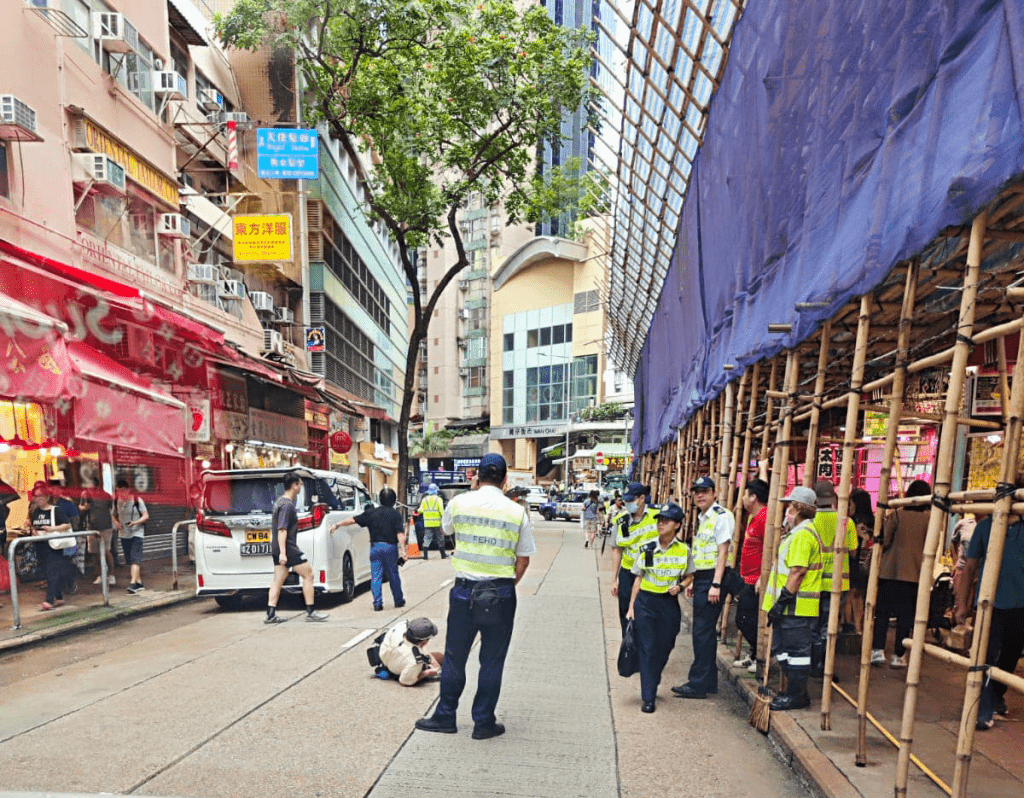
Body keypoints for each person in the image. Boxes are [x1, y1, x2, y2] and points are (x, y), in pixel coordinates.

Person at [415, 453, 535, 740]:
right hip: (500, 593)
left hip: (464, 593)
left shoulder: (458, 504)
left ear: (476, 477)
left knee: (455, 657)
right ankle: (483, 723)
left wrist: (471, 493)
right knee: (492, 660)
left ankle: (445, 716)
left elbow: (445, 529)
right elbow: (524, 559)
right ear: (506, 480)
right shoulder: (517, 512)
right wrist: (505, 586)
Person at [955, 500, 1024, 730]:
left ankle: (995, 694)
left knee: (1011, 655)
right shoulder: (986, 527)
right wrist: (962, 604)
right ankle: (983, 707)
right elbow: (970, 567)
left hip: (1020, 605)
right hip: (989, 603)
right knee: (986, 654)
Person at [625, 502, 693, 713]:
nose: (661, 523)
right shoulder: (647, 547)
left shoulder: (684, 550)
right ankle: (648, 697)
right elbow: (638, 578)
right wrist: (631, 608)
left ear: (678, 525)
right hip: (645, 602)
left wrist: (681, 586)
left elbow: (690, 575)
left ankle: (653, 676)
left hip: (668, 604)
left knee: (665, 646)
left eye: (666, 520)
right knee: (647, 647)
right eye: (659, 520)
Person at [672, 475, 735, 699]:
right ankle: (708, 682)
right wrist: (694, 580)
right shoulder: (703, 517)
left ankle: (697, 684)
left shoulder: (722, 516)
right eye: (696, 492)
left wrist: (715, 584)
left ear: (714, 494)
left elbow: (723, 551)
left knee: (702, 632)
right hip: (703, 578)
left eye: (705, 491)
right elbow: (702, 552)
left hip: (714, 579)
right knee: (704, 632)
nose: (699, 495)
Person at [762, 486, 823, 710]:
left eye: (789, 507)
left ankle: (797, 695)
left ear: (797, 509)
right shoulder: (797, 533)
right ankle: (796, 692)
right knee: (783, 649)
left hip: (796, 606)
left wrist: (782, 601)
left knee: (796, 653)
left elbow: (797, 572)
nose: (786, 511)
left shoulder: (802, 535)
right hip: (791, 606)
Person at [871, 479, 931, 667]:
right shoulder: (931, 517)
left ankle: (878, 651)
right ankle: (899, 655)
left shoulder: (897, 514)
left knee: (882, 613)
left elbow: (885, 541)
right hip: (914, 574)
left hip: (890, 571)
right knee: (906, 616)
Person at [810, 480, 859, 677]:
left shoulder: (810, 521)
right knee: (830, 627)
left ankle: (812, 664)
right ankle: (825, 665)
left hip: (813, 582)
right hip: (838, 584)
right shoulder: (847, 522)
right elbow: (854, 553)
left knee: (813, 624)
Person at [265, 473, 328, 623]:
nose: (301, 487)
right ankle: (311, 611)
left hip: (280, 548)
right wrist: (283, 553)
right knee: (309, 574)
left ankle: (270, 614)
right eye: (299, 484)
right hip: (288, 548)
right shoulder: (287, 505)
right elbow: (282, 529)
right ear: (294, 485)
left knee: (277, 581)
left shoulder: (279, 502)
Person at [332, 487, 407, 612]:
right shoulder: (395, 515)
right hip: (390, 548)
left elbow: (352, 520)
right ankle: (398, 600)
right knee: (394, 575)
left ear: (380, 500)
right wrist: (404, 551)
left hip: (375, 547)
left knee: (376, 576)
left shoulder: (372, 513)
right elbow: (400, 534)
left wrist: (337, 524)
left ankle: (377, 604)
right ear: (394, 501)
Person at [609, 482, 659, 634]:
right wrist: (614, 579)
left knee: (646, 612)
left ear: (642, 498)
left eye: (631, 500)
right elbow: (617, 550)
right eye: (626, 501)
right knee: (626, 612)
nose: (627, 504)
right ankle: (629, 645)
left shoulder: (657, 516)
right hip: (627, 573)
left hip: (649, 574)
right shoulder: (620, 520)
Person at [734, 478, 769, 672]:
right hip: (747, 577)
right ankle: (755, 654)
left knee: (744, 619)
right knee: (748, 619)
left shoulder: (765, 517)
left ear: (753, 497)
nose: (743, 498)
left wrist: (764, 577)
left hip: (757, 579)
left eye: (746, 494)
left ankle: (761, 656)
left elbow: (771, 549)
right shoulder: (752, 516)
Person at [29, 484, 76, 611]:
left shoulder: (56, 510)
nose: (37, 499)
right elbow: (36, 527)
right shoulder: (36, 512)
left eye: (40, 496)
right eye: (35, 496)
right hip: (41, 545)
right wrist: (35, 532)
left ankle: (49, 600)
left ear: (47, 496)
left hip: (54, 546)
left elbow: (67, 525)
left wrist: (51, 529)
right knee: (47, 571)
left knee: (52, 572)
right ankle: (59, 597)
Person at [379, 617, 445, 685]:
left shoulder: (401, 626)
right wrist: (427, 673)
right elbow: (404, 681)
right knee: (439, 657)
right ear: (423, 642)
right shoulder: (415, 661)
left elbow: (419, 646)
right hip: (396, 669)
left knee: (431, 658)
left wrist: (430, 657)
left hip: (384, 655)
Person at [113, 478, 148, 595]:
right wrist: (116, 522)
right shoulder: (117, 501)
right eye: (118, 491)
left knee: (135, 559)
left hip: (137, 533)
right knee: (130, 559)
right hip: (124, 534)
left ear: (128, 490)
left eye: (122, 490)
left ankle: (133, 583)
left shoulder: (137, 500)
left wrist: (136, 522)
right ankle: (139, 582)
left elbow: (146, 516)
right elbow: (113, 514)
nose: (120, 493)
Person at [80, 486, 116, 586]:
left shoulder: (106, 495)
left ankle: (111, 575)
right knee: (94, 552)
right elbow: (81, 507)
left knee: (106, 551)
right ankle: (100, 575)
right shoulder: (85, 494)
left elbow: (111, 509)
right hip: (92, 527)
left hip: (105, 527)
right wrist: (84, 508)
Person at [418, 483, 446, 559]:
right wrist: (445, 518)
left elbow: (420, 510)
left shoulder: (424, 499)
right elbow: (441, 510)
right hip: (437, 523)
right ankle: (443, 555)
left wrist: (416, 511)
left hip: (428, 523)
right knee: (440, 538)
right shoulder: (438, 499)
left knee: (427, 539)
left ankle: (425, 556)